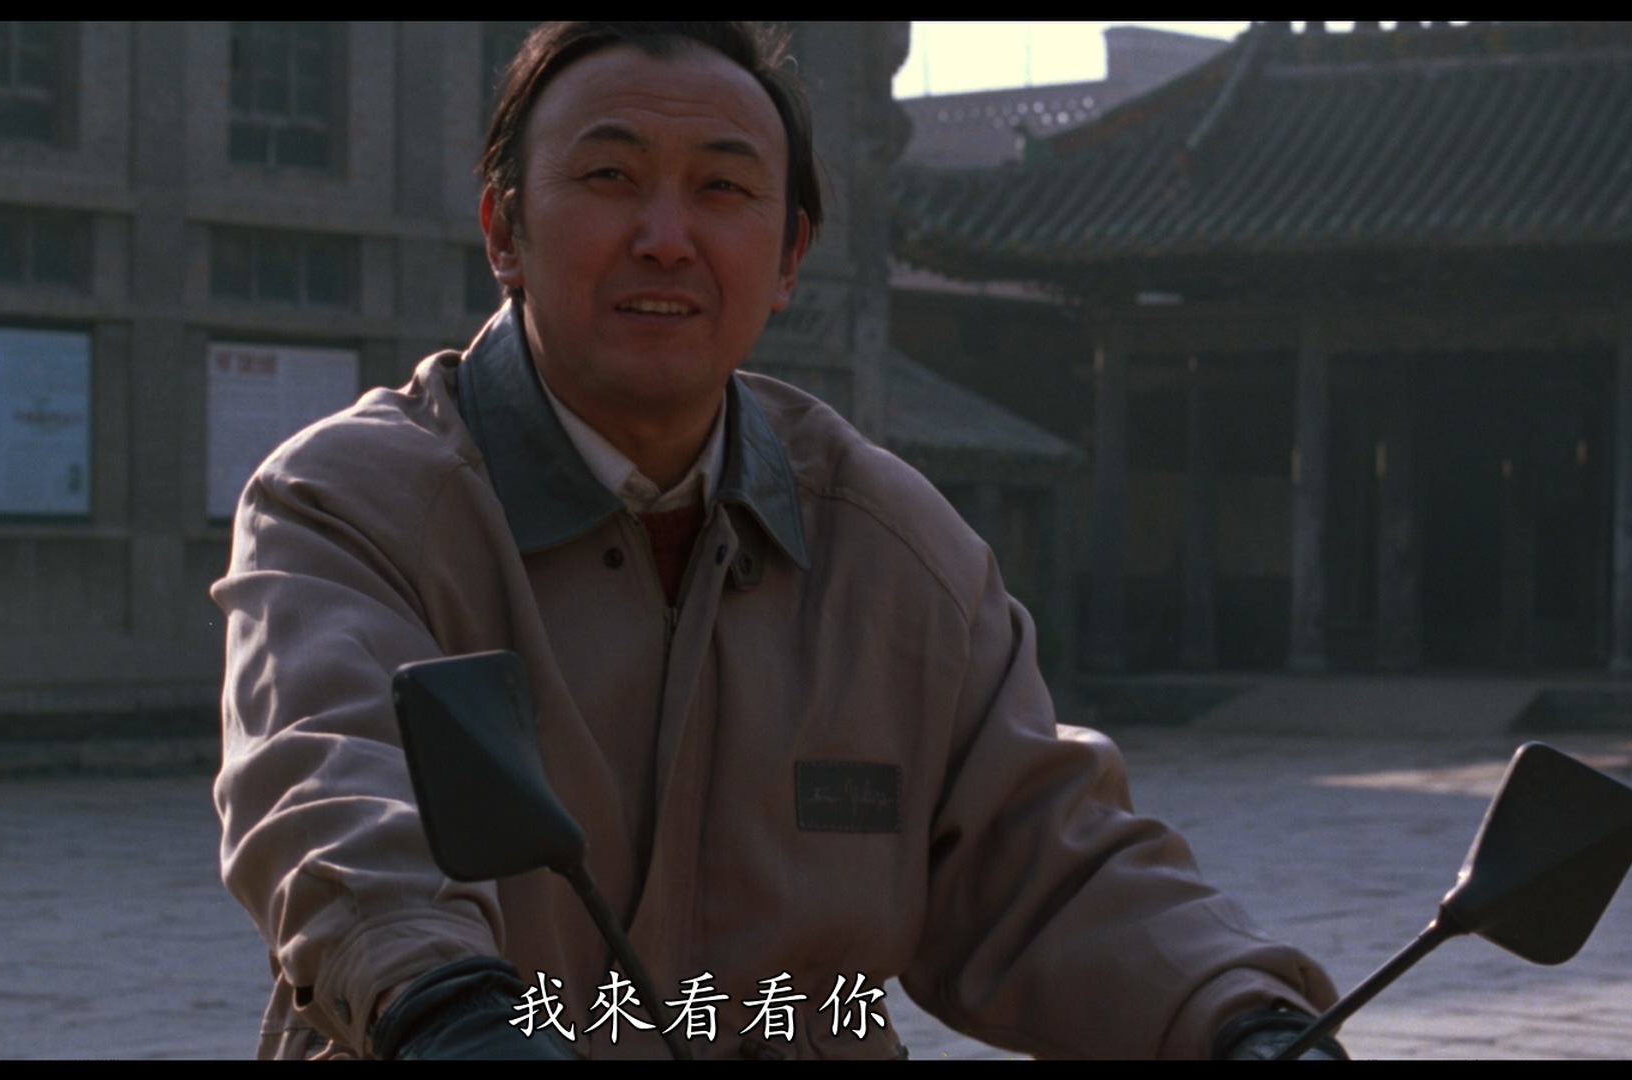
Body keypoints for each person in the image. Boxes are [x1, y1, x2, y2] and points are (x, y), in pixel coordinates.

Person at [212, 22, 1343, 1060]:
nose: (666, 239)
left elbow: (1044, 862)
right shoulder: (352, 505)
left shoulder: (894, 549)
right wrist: (446, 1008)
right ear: (504, 229)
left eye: (722, 188)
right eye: (609, 178)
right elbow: (328, 792)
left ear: (791, 254)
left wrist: (1241, 1015)